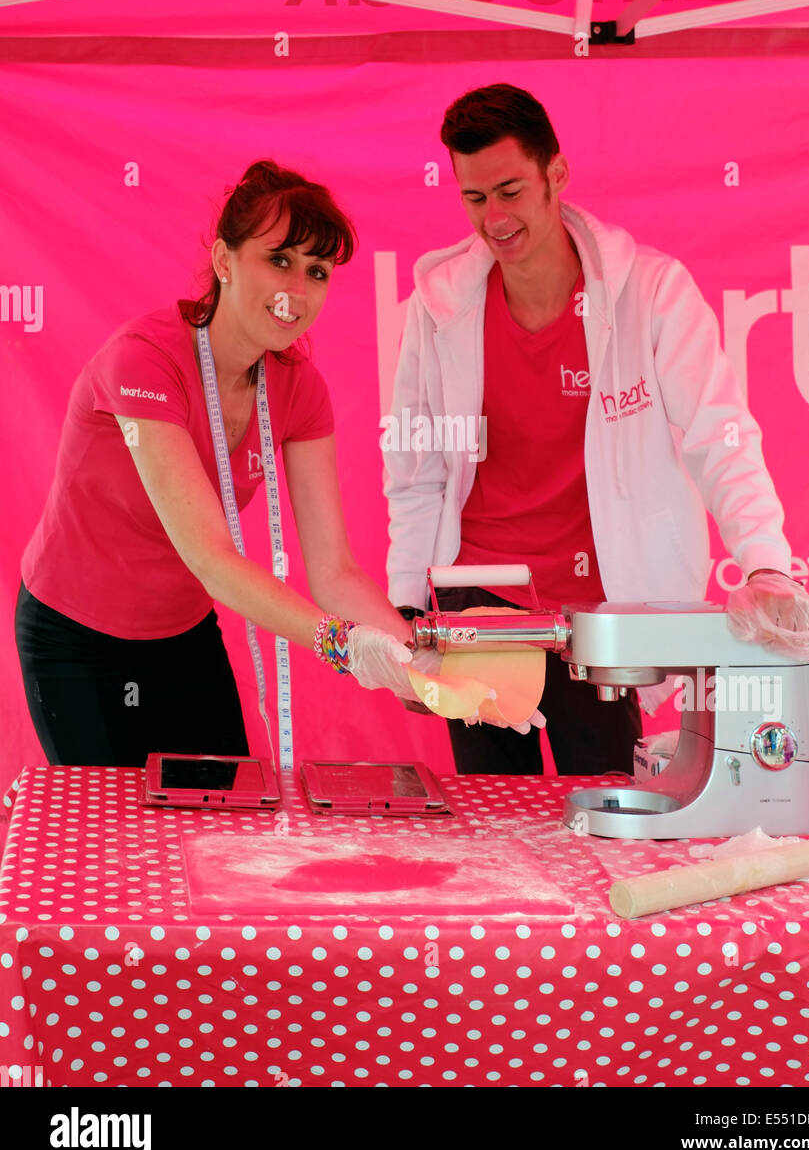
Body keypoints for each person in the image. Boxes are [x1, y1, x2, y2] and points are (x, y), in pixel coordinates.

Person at [15, 160, 522, 767]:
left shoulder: (298, 387)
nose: (298, 291)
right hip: (75, 636)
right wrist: (343, 645)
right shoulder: (144, 361)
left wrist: (417, 658)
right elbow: (212, 559)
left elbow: (333, 571)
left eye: (317, 272)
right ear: (225, 261)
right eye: (278, 260)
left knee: (223, 820)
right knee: (111, 842)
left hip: (179, 635)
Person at [383, 85, 809, 776]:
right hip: (479, 606)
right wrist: (407, 615)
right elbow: (415, 473)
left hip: (600, 607)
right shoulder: (438, 308)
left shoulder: (652, 294)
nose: (494, 219)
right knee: (495, 824)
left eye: (509, 191)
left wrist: (766, 561)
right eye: (475, 199)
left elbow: (720, 432)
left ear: (556, 174)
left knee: (613, 807)